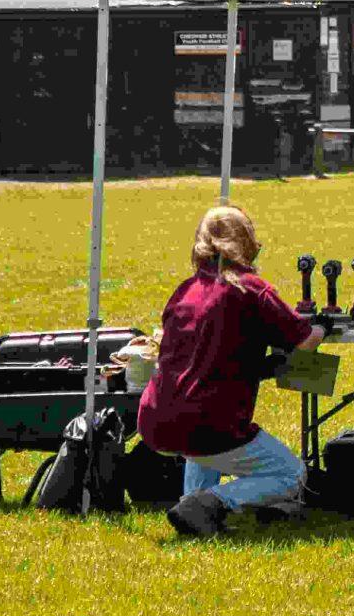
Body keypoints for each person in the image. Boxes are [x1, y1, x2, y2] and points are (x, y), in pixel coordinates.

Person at [139, 204, 325, 538]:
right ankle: (212, 501)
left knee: (201, 445)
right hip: (208, 423)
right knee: (292, 475)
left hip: (156, 419)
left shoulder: (184, 290)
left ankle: (191, 507)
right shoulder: (251, 288)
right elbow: (305, 341)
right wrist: (323, 328)